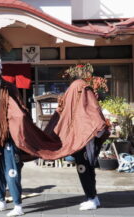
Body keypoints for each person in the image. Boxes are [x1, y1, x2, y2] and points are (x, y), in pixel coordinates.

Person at [0, 51, 63, 216]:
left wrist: (17, 133)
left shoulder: (5, 90)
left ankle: (17, 205)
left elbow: (20, 115)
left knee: (11, 172)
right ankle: (1, 201)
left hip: (8, 140)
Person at [44, 63, 110, 211]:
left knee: (84, 166)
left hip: (84, 134)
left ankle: (91, 198)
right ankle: (93, 197)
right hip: (85, 133)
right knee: (87, 166)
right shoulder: (82, 87)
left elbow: (91, 108)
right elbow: (91, 109)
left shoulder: (79, 87)